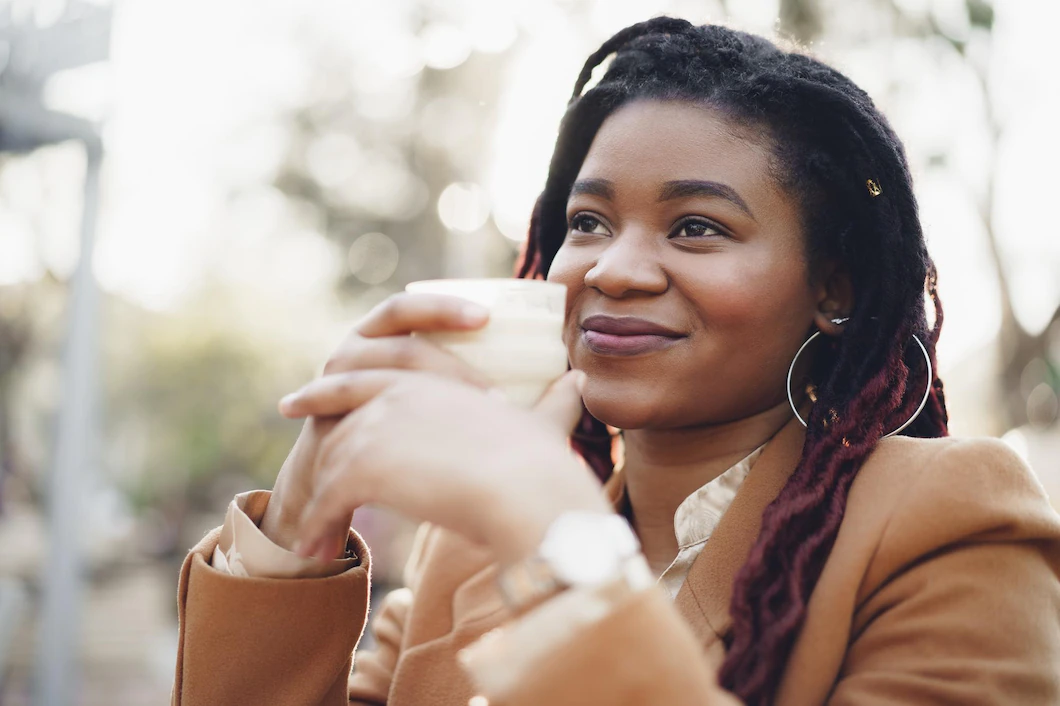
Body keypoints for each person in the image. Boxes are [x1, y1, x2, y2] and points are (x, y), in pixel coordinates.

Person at [170, 16, 1060, 706]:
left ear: (832, 290)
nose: (613, 268)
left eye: (698, 227)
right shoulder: (469, 551)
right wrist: (297, 526)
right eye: (587, 222)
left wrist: (558, 539)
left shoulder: (945, 519)